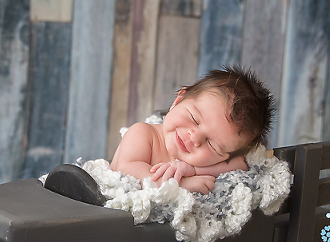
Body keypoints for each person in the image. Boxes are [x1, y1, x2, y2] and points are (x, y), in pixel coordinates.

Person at [110, 65, 274, 194]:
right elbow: (126, 169)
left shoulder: (202, 162)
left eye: (212, 145)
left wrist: (194, 169)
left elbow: (240, 165)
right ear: (178, 100)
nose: (195, 138)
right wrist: (182, 184)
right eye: (194, 119)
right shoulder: (143, 134)